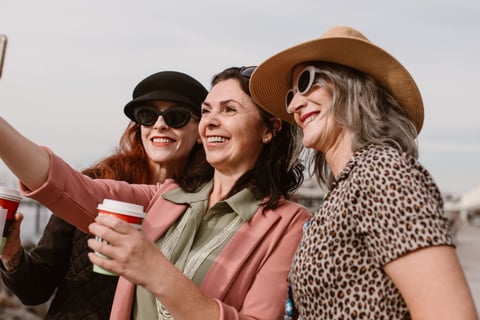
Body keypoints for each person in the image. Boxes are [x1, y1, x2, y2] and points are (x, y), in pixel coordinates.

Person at [0, 66, 311, 319]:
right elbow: (63, 184)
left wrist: (156, 271)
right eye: (207, 111)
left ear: (269, 130)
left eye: (229, 110)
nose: (212, 121)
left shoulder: (289, 224)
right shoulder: (165, 196)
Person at [249, 26, 478, 319]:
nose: (293, 105)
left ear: (354, 85)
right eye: (290, 95)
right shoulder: (350, 184)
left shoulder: (382, 172)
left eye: (306, 82)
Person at [0, 70, 209, 319]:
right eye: (148, 115)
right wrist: (11, 253)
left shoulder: (209, 202)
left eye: (176, 117)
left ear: (200, 130)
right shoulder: (94, 185)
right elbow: (35, 289)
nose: (159, 125)